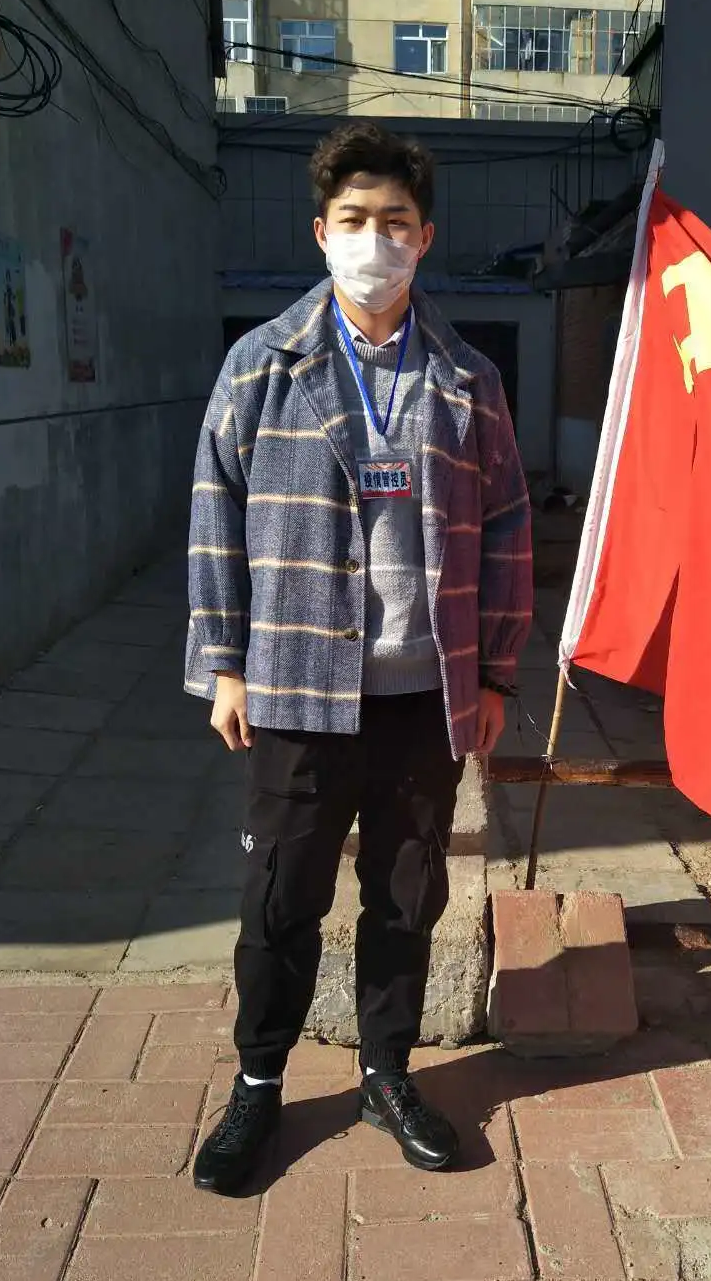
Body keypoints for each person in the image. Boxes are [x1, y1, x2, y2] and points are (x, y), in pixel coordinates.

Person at [185, 121, 532, 1195]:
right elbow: (214, 513)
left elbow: (508, 527)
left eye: (394, 221)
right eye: (353, 220)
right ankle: (259, 1083)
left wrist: (497, 672)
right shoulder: (263, 365)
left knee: (405, 894)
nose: (373, 240)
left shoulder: (466, 378)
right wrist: (224, 663)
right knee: (281, 896)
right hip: (296, 686)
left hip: (424, 691)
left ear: (424, 238)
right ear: (320, 233)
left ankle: (387, 1070)